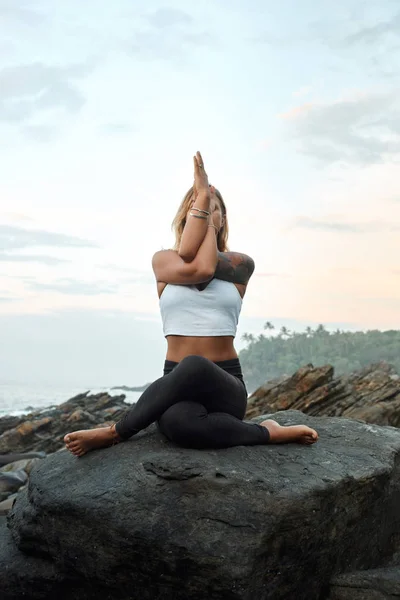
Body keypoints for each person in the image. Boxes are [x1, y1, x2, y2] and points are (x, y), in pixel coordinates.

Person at [64, 152, 318, 457]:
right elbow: (192, 260)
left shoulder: (241, 265)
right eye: (199, 208)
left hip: (225, 385)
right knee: (177, 425)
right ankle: (267, 432)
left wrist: (205, 213)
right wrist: (202, 194)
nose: (209, 212)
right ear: (186, 217)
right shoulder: (163, 261)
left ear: (224, 218)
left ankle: (114, 433)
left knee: (196, 364)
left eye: (215, 209)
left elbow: (203, 268)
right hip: (177, 381)